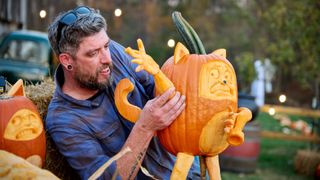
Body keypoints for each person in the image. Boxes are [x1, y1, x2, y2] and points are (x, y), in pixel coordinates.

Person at [46, 6, 200, 179]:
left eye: (106, 45)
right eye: (93, 53)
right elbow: (108, 178)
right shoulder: (63, 120)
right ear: (67, 60)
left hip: (191, 168)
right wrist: (145, 127)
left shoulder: (114, 53)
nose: (107, 59)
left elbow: (153, 86)